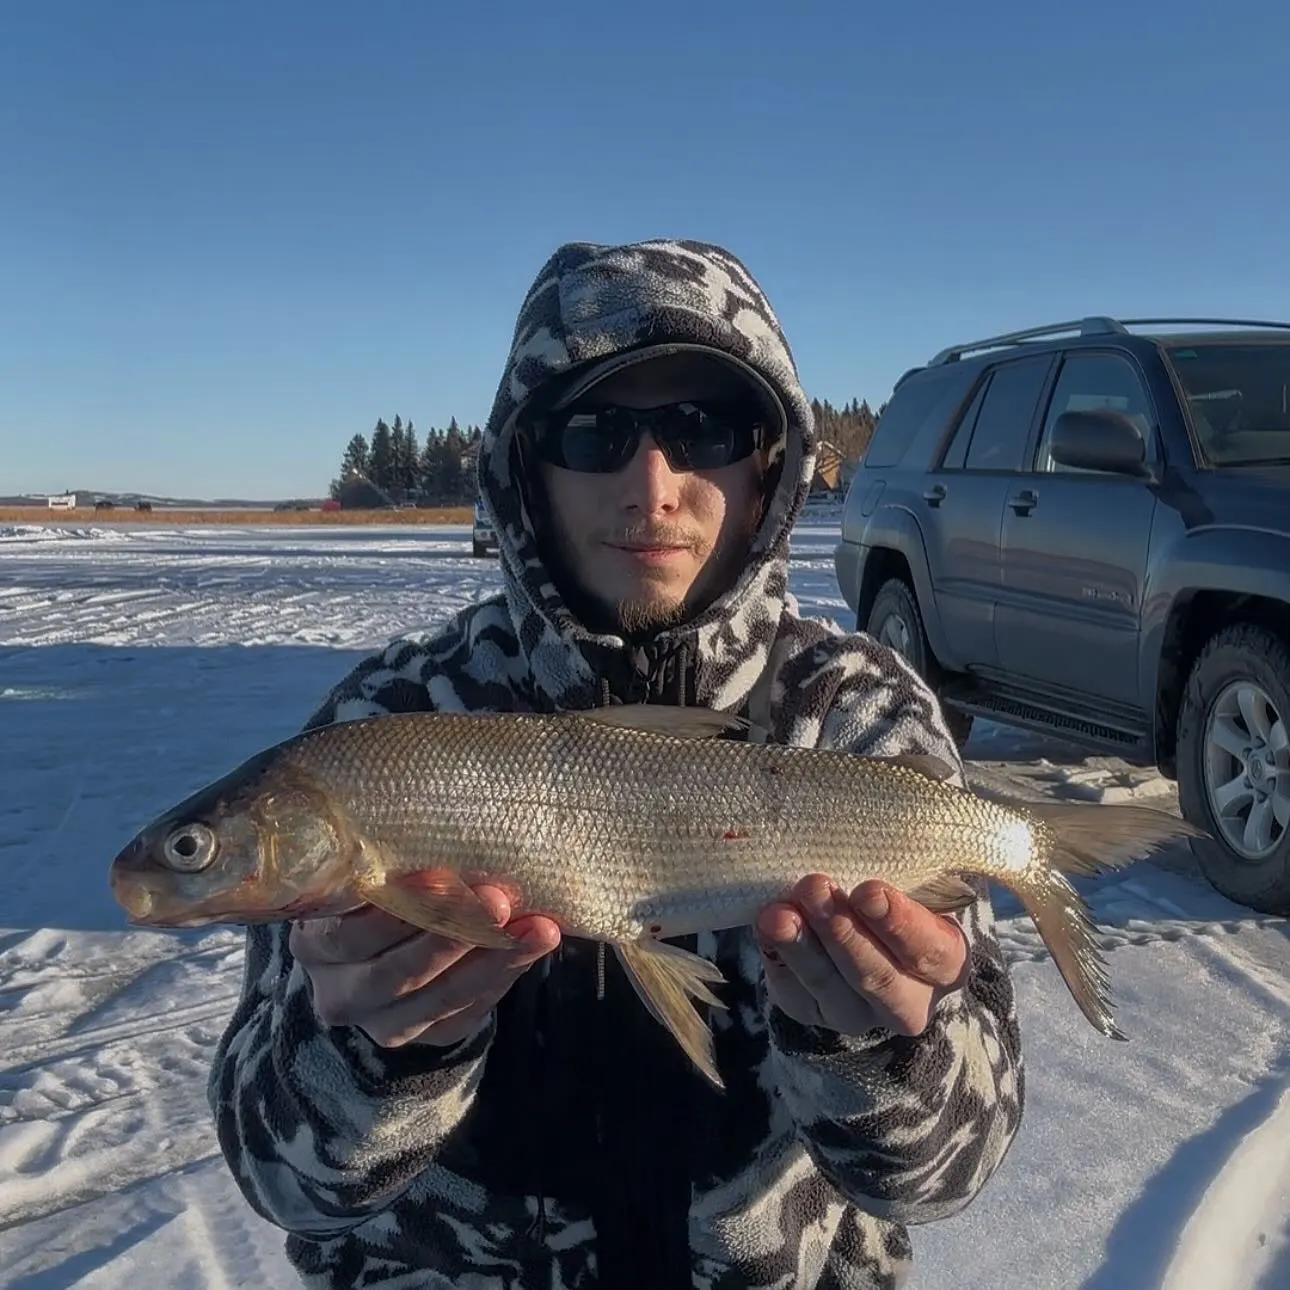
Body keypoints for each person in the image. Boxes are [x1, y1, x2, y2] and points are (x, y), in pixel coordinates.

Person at [207, 238, 1025, 1290]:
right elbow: (276, 1177)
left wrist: (877, 1055)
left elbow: (947, 1175)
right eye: (595, 432)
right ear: (524, 469)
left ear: (768, 461)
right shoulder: (393, 722)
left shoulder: (855, 717)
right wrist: (380, 1058)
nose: (653, 486)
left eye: (705, 428)